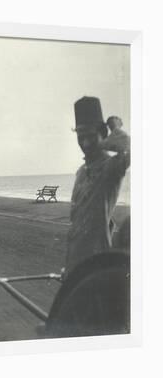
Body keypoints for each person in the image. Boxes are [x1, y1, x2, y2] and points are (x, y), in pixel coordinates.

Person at [64, 96, 130, 276]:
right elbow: (75, 227)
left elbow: (129, 145)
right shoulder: (80, 173)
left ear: (103, 133)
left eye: (91, 136)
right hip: (75, 267)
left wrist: (114, 126)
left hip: (97, 268)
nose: (85, 143)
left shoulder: (112, 167)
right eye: (80, 137)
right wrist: (68, 266)